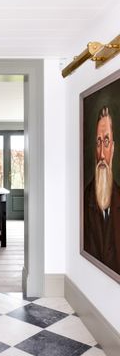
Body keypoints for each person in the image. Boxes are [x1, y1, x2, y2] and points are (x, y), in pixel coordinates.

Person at [84, 106, 120, 274]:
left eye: (106, 142)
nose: (102, 155)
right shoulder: (84, 198)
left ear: (112, 148)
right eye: (98, 142)